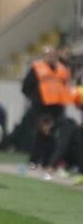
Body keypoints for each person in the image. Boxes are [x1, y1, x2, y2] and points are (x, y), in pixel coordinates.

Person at [22, 46, 74, 179]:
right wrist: (35, 98)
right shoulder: (37, 68)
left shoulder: (62, 69)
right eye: (49, 55)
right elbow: (26, 87)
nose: (52, 57)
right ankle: (34, 160)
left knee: (53, 135)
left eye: (54, 55)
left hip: (57, 107)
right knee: (41, 133)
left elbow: (65, 86)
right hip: (41, 107)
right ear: (44, 56)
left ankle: (47, 162)